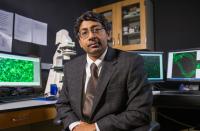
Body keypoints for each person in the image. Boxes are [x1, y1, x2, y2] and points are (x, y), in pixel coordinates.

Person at [56, 11, 153, 131]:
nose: (91, 36)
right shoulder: (71, 67)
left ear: (108, 34)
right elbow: (63, 104)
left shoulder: (131, 62)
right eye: (84, 33)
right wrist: (74, 126)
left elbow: (140, 112)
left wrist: (95, 128)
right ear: (80, 42)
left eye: (96, 29)